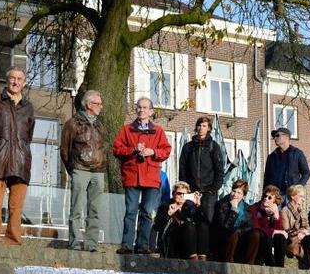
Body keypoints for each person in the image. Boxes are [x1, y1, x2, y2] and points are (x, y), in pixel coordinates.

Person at [0, 67, 35, 245]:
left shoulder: (28, 107)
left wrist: (22, 151)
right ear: (7, 80)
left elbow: (28, 136)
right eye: (12, 78)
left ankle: (13, 240)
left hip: (20, 161)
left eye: (19, 79)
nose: (15, 82)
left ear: (24, 83)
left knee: (16, 207)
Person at [113, 97, 171, 255]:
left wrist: (153, 152)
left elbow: (166, 150)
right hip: (132, 176)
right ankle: (127, 245)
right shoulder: (127, 130)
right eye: (139, 107)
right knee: (130, 211)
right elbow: (116, 149)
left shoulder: (158, 131)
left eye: (145, 108)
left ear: (151, 111)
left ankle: (143, 245)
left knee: (146, 212)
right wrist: (133, 149)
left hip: (151, 177)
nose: (141, 110)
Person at [60, 90, 106, 252]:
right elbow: (64, 150)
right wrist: (73, 169)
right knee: (76, 208)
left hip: (98, 171)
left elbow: (103, 148)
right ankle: (74, 242)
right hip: (80, 169)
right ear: (88, 105)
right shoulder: (72, 123)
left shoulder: (100, 125)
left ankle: (91, 243)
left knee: (95, 210)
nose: (101, 106)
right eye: (98, 103)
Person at [178, 117, 224, 227]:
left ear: (209, 128)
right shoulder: (188, 147)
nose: (201, 128)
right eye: (199, 125)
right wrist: (186, 188)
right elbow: (182, 168)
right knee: (189, 221)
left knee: (206, 223)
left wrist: (213, 189)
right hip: (191, 191)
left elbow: (219, 169)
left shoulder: (213, 146)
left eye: (204, 126)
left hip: (208, 192)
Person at [225, 186, 286, 266]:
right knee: (262, 234)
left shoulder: (277, 212)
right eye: (265, 196)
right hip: (252, 239)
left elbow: (278, 230)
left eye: (269, 197)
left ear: (275, 201)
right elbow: (254, 227)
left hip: (266, 242)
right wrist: (272, 231)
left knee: (280, 237)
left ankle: (279, 267)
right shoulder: (254, 208)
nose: (266, 198)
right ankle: (271, 265)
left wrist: (276, 216)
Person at [154, 181, 209, 260]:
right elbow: (157, 227)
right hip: (173, 241)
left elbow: (205, 223)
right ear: (173, 194)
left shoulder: (190, 207)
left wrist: (198, 205)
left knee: (202, 226)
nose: (181, 196)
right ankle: (193, 259)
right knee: (188, 226)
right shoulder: (165, 207)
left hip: (189, 242)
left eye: (184, 194)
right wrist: (169, 213)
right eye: (179, 193)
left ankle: (202, 257)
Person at [211, 179, 249, 260]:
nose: (235, 194)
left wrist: (240, 232)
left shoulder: (246, 207)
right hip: (223, 239)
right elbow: (225, 228)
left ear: (244, 196)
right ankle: (228, 260)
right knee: (234, 231)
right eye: (234, 191)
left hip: (240, 240)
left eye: (239, 193)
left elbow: (249, 226)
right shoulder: (221, 204)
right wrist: (233, 210)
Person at [263, 127, 310, 194]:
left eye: (277, 135)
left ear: (286, 137)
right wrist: (264, 194)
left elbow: (306, 173)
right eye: (274, 136)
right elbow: (266, 178)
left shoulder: (297, 153)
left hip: (291, 194)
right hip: (275, 195)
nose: (275, 138)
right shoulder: (271, 157)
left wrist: (297, 188)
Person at [279, 185, 310, 268]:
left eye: (303, 197)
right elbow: (286, 230)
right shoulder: (285, 210)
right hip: (291, 240)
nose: (303, 199)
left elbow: (308, 229)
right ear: (293, 196)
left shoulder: (302, 211)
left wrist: (303, 233)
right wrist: (299, 232)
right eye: (301, 196)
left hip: (303, 238)